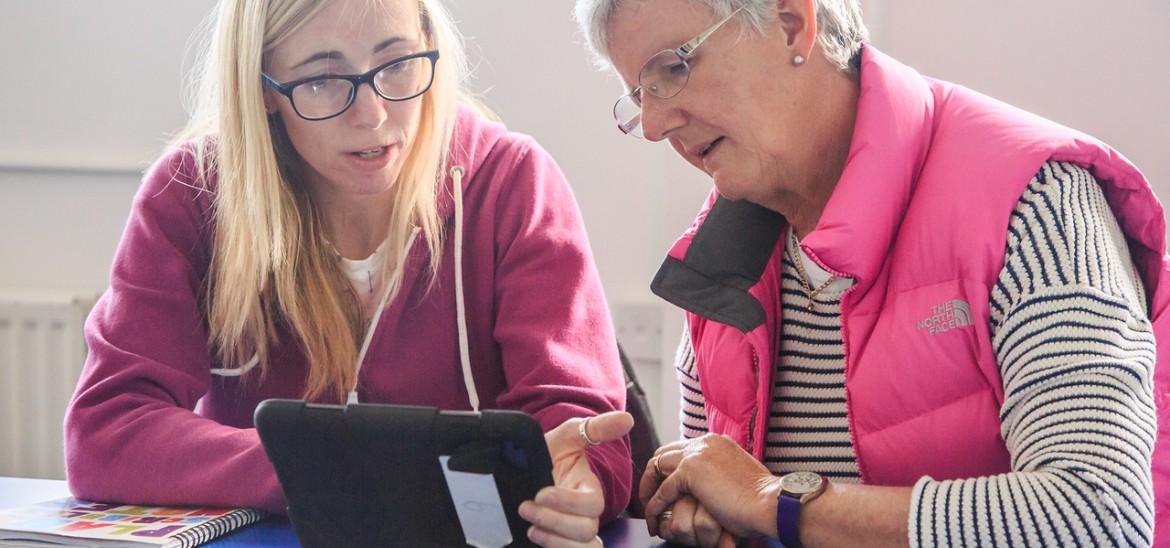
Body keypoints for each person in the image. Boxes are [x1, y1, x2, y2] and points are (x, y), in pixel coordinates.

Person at [573, 0, 1170, 546]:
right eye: (638, 95)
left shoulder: (1039, 200)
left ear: (790, 23)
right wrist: (699, 510)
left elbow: (1101, 514)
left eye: (671, 70)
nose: (653, 126)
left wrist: (774, 502)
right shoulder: (714, 263)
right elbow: (720, 496)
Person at [64, 0, 633, 545]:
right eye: (323, 78)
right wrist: (327, 468)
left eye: (398, 62)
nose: (374, 114)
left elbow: (587, 435)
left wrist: (577, 488)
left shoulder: (514, 184)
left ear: (429, 46)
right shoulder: (191, 195)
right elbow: (107, 430)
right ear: (265, 87)